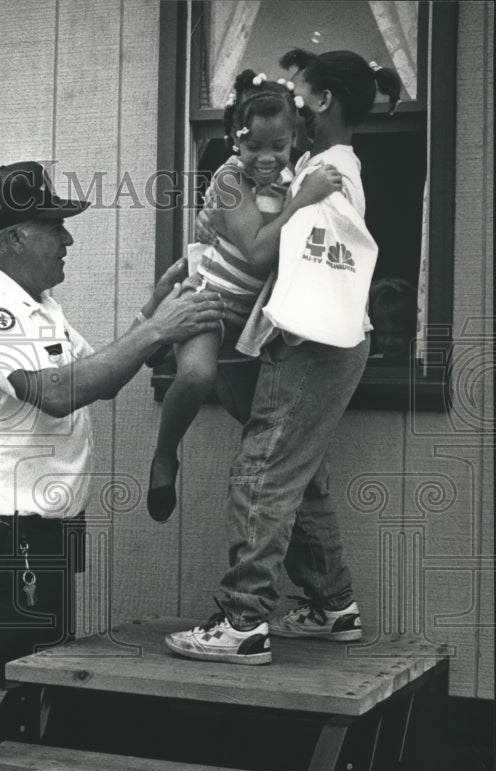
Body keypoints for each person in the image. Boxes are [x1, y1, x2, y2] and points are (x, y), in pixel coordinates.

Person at [0, 160, 225, 686]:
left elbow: (104, 374)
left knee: (42, 676)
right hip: (3, 536)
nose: (67, 238)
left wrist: (153, 312)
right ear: (17, 238)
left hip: (44, 531)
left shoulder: (41, 307)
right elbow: (60, 392)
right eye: (54, 226)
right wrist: (159, 327)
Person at [166, 50, 402, 664]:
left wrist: (288, 332)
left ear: (321, 103)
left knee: (261, 475)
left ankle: (243, 622)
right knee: (300, 476)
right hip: (334, 339)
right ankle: (332, 605)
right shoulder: (322, 165)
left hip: (312, 341)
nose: (294, 100)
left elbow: (312, 259)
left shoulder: (322, 174)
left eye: (301, 93)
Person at [148, 70, 343, 522]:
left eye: (277, 146)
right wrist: (303, 201)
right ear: (237, 141)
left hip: (252, 319)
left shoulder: (297, 177)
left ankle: (305, 465)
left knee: (262, 417)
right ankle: (164, 456)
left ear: (294, 137)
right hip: (209, 300)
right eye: (253, 146)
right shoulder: (231, 178)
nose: (266, 157)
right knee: (196, 375)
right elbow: (256, 253)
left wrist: (304, 194)